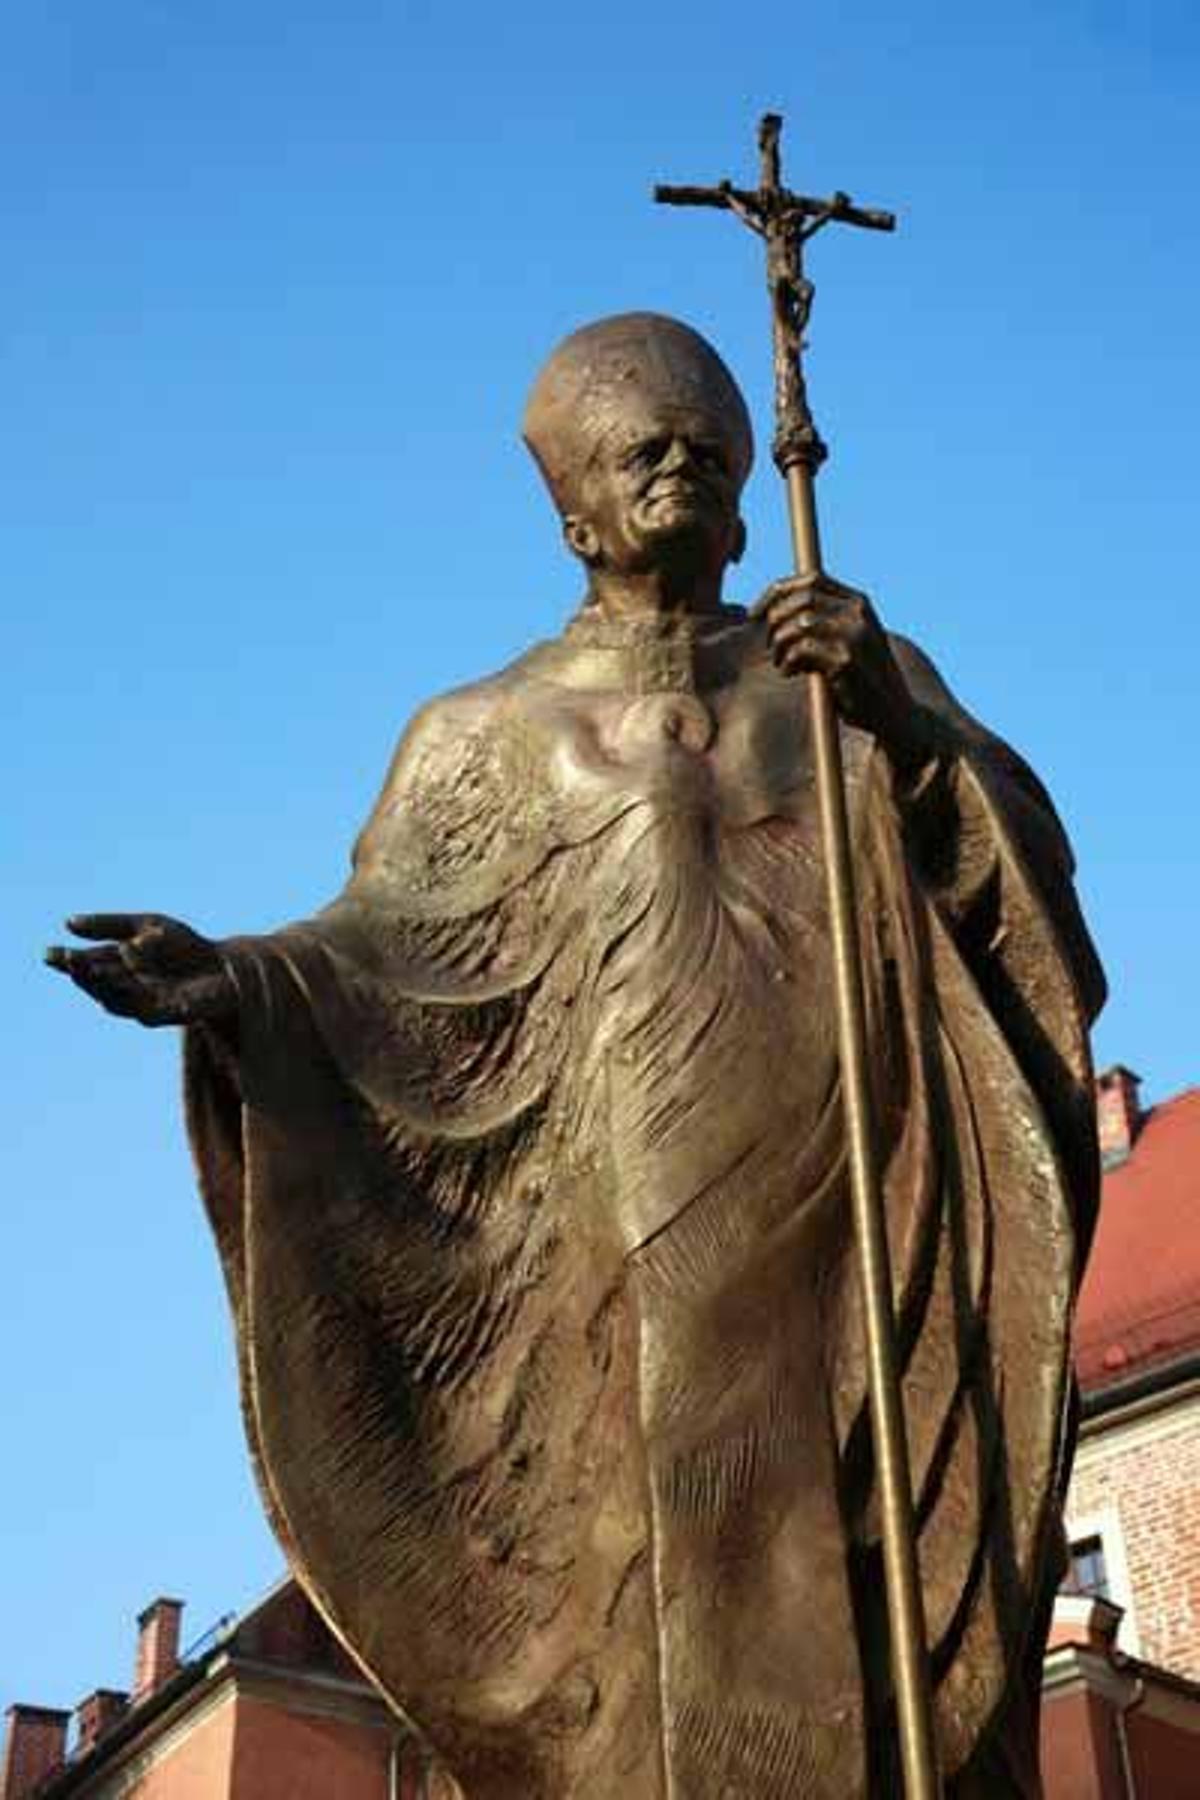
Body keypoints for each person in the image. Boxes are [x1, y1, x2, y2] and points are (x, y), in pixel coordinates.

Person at [48, 313, 1104, 1799]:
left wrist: (908, 726)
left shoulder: (841, 679)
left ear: (751, 494)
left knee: (875, 1575)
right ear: (571, 510)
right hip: (611, 1241)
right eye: (640, 449)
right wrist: (241, 983)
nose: (678, 466)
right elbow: (385, 957)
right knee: (652, 1589)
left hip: (862, 1193)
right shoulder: (480, 736)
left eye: (706, 451)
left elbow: (1028, 921)